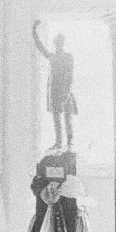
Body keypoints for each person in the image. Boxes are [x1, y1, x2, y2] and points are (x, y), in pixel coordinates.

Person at [33, 21, 77, 151]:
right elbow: (40, 47)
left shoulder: (68, 57)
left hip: (65, 90)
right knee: (57, 117)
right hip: (55, 90)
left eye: (60, 42)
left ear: (62, 43)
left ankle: (69, 142)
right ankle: (59, 142)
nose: (58, 44)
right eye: (57, 42)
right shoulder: (52, 56)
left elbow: (70, 74)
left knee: (67, 117)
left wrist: (67, 91)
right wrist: (34, 31)